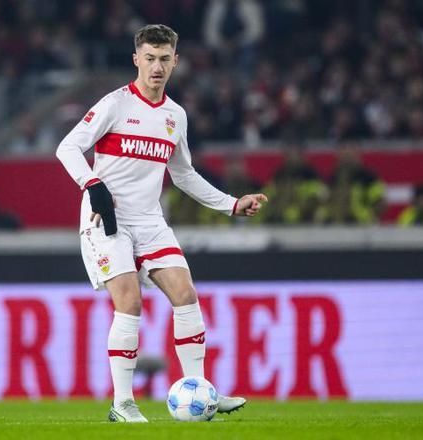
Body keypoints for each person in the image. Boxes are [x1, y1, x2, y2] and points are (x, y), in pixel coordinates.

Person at [56, 24, 267, 423]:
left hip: (150, 220)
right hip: (107, 219)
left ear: (175, 62)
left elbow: (184, 175)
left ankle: (200, 391)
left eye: (164, 59)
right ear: (136, 59)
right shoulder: (115, 105)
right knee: (130, 302)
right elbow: (67, 147)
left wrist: (231, 204)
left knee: (186, 295)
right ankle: (122, 404)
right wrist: (92, 183)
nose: (156, 67)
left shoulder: (175, 116)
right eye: (150, 58)